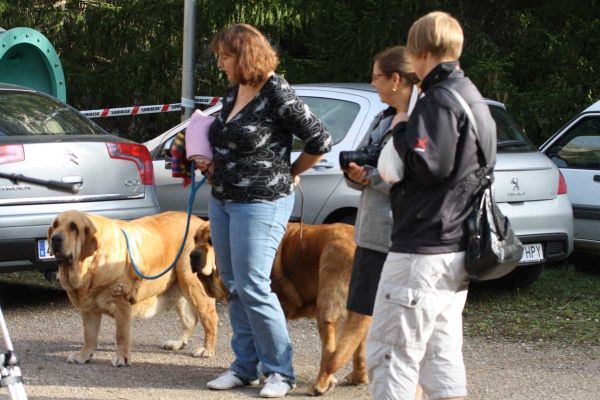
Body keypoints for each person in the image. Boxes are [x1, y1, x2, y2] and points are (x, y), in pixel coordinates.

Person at [366, 11, 497, 400]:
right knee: (440, 356)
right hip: (454, 246)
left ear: (419, 50)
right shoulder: (471, 96)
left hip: (422, 249)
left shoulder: (438, 100)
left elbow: (429, 164)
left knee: (391, 354)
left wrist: (402, 128)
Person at [200, 24, 332, 398]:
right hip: (223, 199)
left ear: (245, 56)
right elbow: (228, 139)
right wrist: (207, 163)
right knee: (235, 286)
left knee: (255, 284)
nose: (221, 63)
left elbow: (320, 138)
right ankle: (245, 367)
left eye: (225, 56)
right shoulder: (234, 91)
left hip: (262, 202)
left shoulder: (277, 91)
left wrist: (292, 172)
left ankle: (280, 372)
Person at [343, 46, 418, 321]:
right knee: (362, 320)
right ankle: (361, 367)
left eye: (376, 77)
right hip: (369, 237)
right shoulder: (384, 117)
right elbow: (363, 162)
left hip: (400, 242)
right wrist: (355, 175)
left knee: (393, 324)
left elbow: (416, 183)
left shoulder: (423, 122)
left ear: (395, 79)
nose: (373, 83)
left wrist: (372, 176)